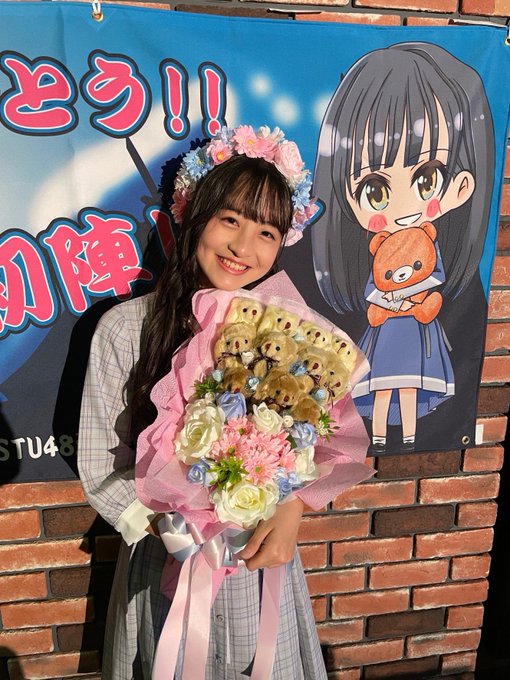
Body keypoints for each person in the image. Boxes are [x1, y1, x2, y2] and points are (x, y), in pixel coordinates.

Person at [78, 125, 327, 679]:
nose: (243, 248)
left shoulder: (285, 332)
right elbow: (99, 460)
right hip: (164, 560)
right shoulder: (126, 329)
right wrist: (175, 527)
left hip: (257, 561)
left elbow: (314, 441)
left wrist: (290, 510)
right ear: (195, 216)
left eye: (266, 231)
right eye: (230, 220)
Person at [311, 42, 495, 453]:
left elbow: (430, 291)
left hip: (415, 342)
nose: (403, 207)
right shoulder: (316, 261)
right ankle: (378, 434)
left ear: (461, 186)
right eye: (375, 189)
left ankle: (407, 437)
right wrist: (387, 305)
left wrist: (417, 303)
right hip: (384, 341)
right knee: (380, 388)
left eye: (427, 179)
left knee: (409, 389)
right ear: (345, 194)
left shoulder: (454, 273)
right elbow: (374, 299)